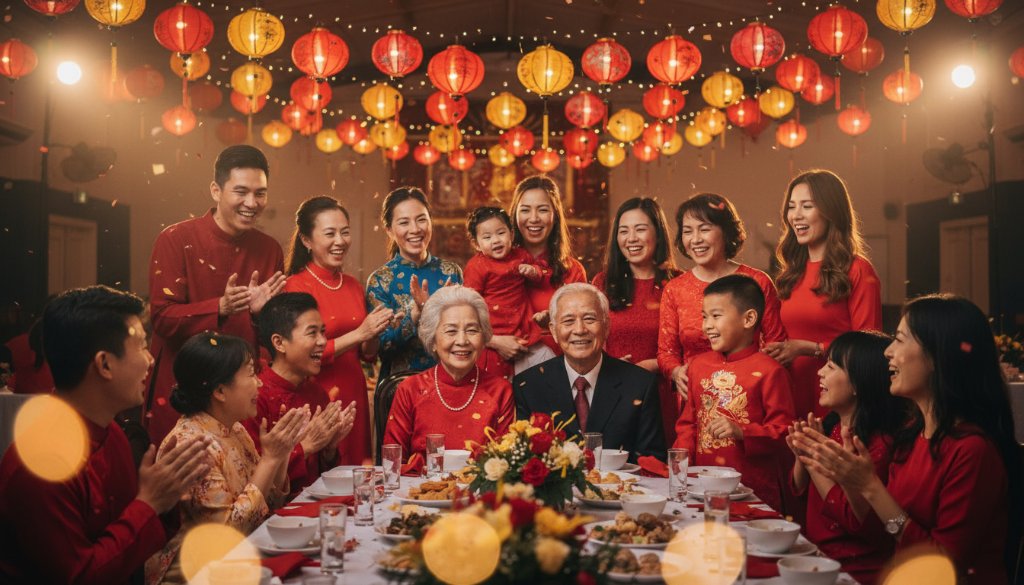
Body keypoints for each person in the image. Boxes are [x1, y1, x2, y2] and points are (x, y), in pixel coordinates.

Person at [792, 295, 1021, 583]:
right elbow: (884, 534)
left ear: (938, 356)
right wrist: (852, 483)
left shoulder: (971, 451)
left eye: (900, 340)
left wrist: (870, 487)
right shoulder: (911, 435)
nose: (888, 352)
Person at [0, 286, 211, 585]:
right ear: (104, 364)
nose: (150, 361)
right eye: (141, 346)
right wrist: (149, 503)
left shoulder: (110, 431)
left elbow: (130, 540)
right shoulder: (41, 462)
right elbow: (79, 576)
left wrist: (167, 495)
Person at [146, 145, 287, 444]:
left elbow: (273, 337)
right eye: (241, 192)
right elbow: (161, 318)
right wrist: (219, 307)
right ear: (216, 190)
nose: (252, 202)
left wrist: (263, 316)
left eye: (260, 193)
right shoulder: (175, 239)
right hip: (181, 390)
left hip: (239, 394)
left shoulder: (269, 248)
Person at [147, 332, 308, 584]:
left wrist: (281, 455)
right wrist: (269, 460)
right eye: (251, 374)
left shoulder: (234, 428)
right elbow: (228, 533)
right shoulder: (192, 444)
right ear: (220, 391)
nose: (260, 383)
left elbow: (270, 505)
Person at [786, 331, 908, 585]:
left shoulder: (876, 446)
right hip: (817, 559)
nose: (820, 373)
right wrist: (802, 454)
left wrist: (812, 459)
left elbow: (855, 523)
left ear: (858, 384)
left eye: (831, 366)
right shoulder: (830, 428)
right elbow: (797, 493)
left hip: (852, 572)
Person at [283, 196, 393, 464]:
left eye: (345, 232)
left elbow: (367, 354)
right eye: (330, 233)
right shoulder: (296, 286)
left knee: (356, 472)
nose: (340, 241)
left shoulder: (354, 285)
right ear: (307, 241)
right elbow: (301, 354)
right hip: (316, 394)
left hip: (353, 392)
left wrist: (377, 329)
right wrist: (360, 333)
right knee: (321, 477)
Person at [764, 170, 882, 420]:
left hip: (835, 396)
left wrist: (812, 348)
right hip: (789, 391)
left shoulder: (857, 270)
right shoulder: (791, 273)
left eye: (807, 206)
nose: (796, 215)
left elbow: (869, 350)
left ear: (831, 211)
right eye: (792, 207)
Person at [674, 275, 795, 510]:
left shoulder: (771, 371)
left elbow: (785, 433)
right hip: (701, 487)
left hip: (751, 488)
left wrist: (743, 431)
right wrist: (681, 470)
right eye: (704, 317)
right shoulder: (698, 365)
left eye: (716, 316)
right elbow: (688, 423)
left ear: (749, 318)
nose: (707, 325)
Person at [658, 193, 787, 404]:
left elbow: (777, 345)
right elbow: (666, 352)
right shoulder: (675, 289)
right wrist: (675, 371)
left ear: (725, 232)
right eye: (688, 231)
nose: (695, 239)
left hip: (748, 395)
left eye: (705, 229)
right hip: (696, 394)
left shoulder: (756, 281)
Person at [514, 283, 665, 462]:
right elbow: (525, 461)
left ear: (607, 326)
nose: (579, 330)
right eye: (568, 321)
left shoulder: (640, 384)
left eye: (589, 319)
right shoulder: (529, 385)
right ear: (554, 331)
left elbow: (653, 462)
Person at [382, 286, 514, 459]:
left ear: (484, 339)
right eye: (451, 331)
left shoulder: (500, 390)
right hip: (419, 486)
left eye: (472, 330)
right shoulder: (410, 390)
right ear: (433, 340)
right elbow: (392, 463)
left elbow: (505, 465)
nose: (462, 341)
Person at [246, 292, 356, 496]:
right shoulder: (254, 397)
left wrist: (329, 448)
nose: (323, 341)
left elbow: (324, 476)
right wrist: (305, 447)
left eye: (323, 332)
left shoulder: (315, 392)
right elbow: (250, 479)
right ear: (279, 343)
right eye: (312, 333)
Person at [592, 197, 680, 443]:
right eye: (623, 231)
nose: (631, 238)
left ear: (658, 233)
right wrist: (608, 363)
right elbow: (590, 338)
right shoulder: (603, 282)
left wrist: (656, 365)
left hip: (664, 394)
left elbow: (695, 347)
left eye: (640, 229)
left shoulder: (678, 284)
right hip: (613, 391)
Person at [366, 187, 462, 383]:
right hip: (400, 386)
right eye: (404, 222)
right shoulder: (380, 280)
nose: (415, 229)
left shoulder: (450, 272)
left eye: (421, 219)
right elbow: (379, 349)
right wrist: (414, 317)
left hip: (449, 382)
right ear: (389, 230)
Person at [463, 206, 554, 379]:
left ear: (511, 234)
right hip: (494, 331)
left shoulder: (520, 255)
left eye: (501, 233)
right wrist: (489, 338)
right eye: (487, 237)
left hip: (522, 326)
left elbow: (542, 274)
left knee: (538, 366)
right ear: (476, 244)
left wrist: (533, 271)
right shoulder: (477, 266)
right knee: (496, 380)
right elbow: (469, 302)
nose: (495, 240)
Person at [504, 175, 588, 360]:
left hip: (558, 368)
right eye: (525, 210)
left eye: (542, 210)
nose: (533, 219)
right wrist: (495, 341)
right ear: (514, 214)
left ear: (555, 214)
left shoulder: (572, 270)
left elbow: (583, 330)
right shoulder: (497, 266)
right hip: (500, 370)